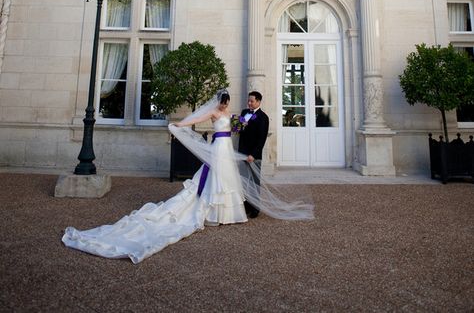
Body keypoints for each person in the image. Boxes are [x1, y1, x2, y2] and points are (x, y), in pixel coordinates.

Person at [62, 90, 313, 264]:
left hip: (230, 150)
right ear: (220, 102)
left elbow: (243, 131)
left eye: (228, 102)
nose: (226, 105)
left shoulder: (236, 116)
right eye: (224, 102)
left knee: (230, 182)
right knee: (216, 180)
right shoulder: (216, 113)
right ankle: (214, 213)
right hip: (219, 148)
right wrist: (178, 126)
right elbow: (197, 119)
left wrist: (246, 140)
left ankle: (233, 213)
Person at [238, 90, 269, 218]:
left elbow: (262, 139)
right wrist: (238, 125)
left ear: (258, 101)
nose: (249, 103)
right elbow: (238, 130)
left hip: (254, 156)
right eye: (248, 101)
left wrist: (253, 154)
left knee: (255, 182)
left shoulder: (263, 117)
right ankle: (246, 206)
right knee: (244, 181)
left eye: (252, 101)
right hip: (242, 153)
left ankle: (255, 208)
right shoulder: (244, 113)